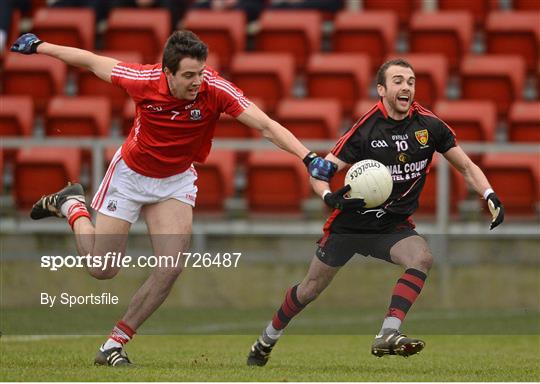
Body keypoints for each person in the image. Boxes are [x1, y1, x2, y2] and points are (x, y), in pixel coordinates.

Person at [10, 30, 337, 367]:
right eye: (189, 75)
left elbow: (266, 125)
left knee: (170, 267)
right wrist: (41, 46)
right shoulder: (142, 80)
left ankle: (114, 344)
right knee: (102, 269)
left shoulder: (215, 88)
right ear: (167, 72)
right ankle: (72, 206)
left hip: (175, 181)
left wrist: (308, 157)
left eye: (201, 72)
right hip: (130, 177)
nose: (198, 81)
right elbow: (91, 62)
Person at [246, 58, 505, 366]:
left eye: (410, 81)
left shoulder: (429, 126)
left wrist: (489, 193)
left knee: (421, 257)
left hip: (393, 226)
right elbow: (320, 172)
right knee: (309, 289)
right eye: (397, 81)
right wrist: (330, 197)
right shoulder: (366, 129)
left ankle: (388, 333)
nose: (406, 86)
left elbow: (465, 165)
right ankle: (267, 339)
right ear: (381, 89)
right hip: (351, 224)